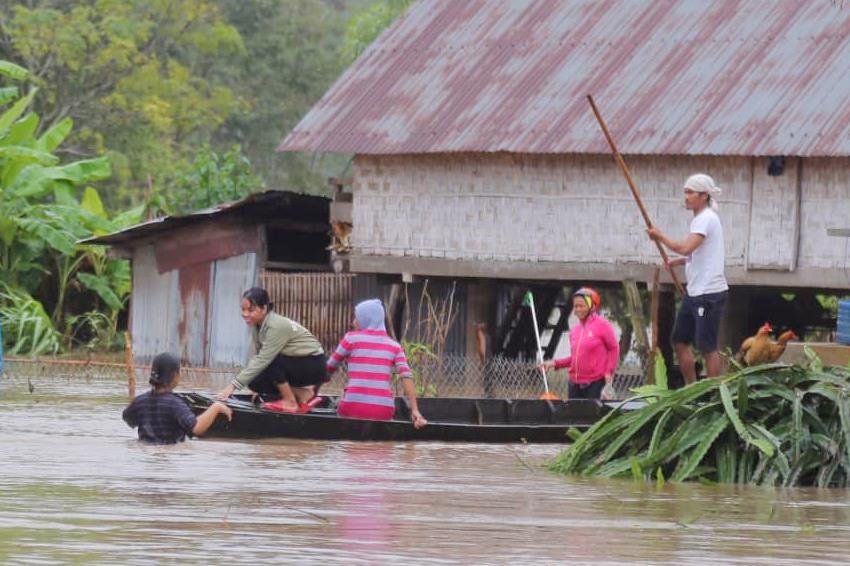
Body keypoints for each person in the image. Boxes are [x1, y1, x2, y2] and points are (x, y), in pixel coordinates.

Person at [647, 173, 729, 383]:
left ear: (703, 196)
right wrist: (680, 261)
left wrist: (660, 236)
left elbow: (686, 247)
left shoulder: (707, 218)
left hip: (708, 293)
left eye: (690, 192)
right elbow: (699, 253)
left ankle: (712, 392)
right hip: (695, 292)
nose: (686, 197)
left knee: (706, 346)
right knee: (680, 340)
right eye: (685, 192)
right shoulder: (700, 219)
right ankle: (691, 388)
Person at [216, 287, 327, 413]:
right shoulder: (257, 325)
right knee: (255, 382)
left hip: (313, 364)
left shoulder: (276, 326)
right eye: (243, 309)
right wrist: (256, 388)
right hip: (293, 362)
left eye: (251, 310)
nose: (245, 314)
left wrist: (232, 387)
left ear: (264, 309)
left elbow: (264, 359)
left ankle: (290, 402)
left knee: (270, 360)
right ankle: (302, 394)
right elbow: (258, 355)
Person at [327, 298, 427, 428]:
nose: (353, 322)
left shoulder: (350, 339)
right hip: (383, 410)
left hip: (352, 407)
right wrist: (414, 410)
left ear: (366, 319)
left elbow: (328, 368)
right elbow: (406, 376)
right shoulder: (394, 346)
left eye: (357, 318)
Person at [123, 352, 232, 444]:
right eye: (179, 371)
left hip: (145, 451)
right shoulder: (174, 403)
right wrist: (216, 407)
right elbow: (196, 428)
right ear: (174, 375)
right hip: (170, 452)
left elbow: (128, 418)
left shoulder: (140, 401)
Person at [540, 287, 619, 400]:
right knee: (575, 417)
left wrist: (608, 372)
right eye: (575, 306)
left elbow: (614, 348)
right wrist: (555, 363)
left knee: (592, 417)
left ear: (592, 306)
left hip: (595, 384)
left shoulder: (603, 325)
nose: (577, 309)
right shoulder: (575, 331)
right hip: (574, 385)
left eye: (581, 306)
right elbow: (576, 358)